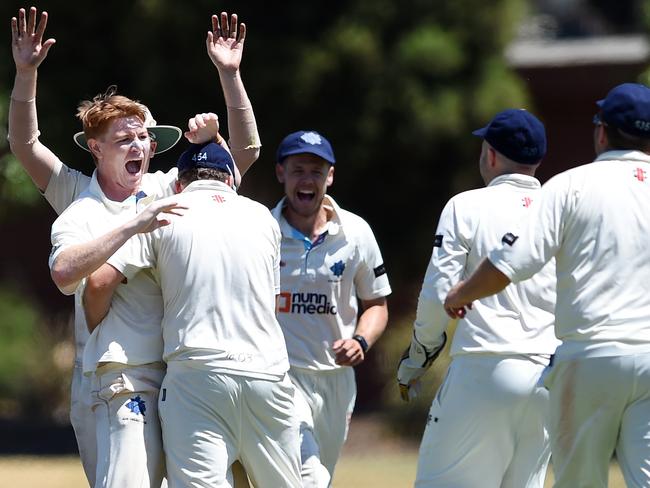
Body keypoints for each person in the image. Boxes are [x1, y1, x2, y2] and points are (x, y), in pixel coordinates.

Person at [9, 7, 259, 486]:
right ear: (95, 147)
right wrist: (25, 74)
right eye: (125, 139)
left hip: (179, 371)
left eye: (145, 138)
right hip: (106, 373)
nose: (139, 147)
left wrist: (230, 76)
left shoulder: (168, 187)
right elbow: (24, 143)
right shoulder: (77, 197)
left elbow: (242, 156)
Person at [444, 83, 650, 488]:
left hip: (590, 356)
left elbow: (510, 264)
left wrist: (460, 294)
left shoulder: (571, 185)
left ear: (602, 131)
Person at [92, 141, 302, 487]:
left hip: (196, 377)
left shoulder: (165, 210)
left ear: (179, 184)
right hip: (269, 375)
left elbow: (100, 283)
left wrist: (92, 327)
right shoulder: (263, 216)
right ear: (231, 180)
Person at [397, 109, 560, 487]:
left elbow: (439, 292)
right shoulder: (559, 210)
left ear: (490, 154)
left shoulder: (465, 205)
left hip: (484, 369)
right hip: (548, 378)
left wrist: (418, 356)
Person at [272, 130, 392, 487]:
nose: (307, 180)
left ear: (331, 176)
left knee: (321, 471)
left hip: (336, 381)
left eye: (316, 171)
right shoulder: (263, 230)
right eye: (298, 170)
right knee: (309, 476)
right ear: (281, 173)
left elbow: (377, 304)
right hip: (282, 375)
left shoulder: (356, 232)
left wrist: (361, 341)